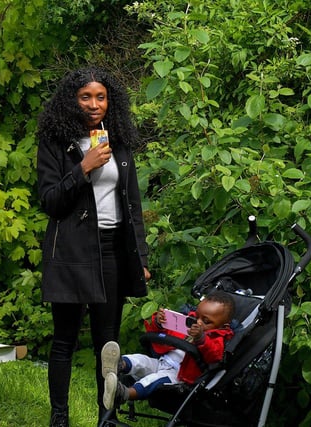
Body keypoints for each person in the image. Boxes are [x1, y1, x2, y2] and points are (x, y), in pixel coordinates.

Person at [36, 66, 152, 427]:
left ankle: (108, 417)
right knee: (65, 340)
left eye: (100, 97)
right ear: (72, 100)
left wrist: (141, 257)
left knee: (108, 343)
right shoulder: (56, 142)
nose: (93, 104)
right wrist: (82, 167)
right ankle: (60, 417)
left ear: (110, 100)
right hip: (71, 250)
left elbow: (133, 204)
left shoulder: (119, 141)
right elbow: (50, 201)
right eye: (85, 97)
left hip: (112, 250)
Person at [101, 290, 236, 410]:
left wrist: (202, 339)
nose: (198, 322)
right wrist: (159, 323)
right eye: (197, 316)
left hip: (178, 375)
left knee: (152, 380)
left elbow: (214, 355)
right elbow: (162, 332)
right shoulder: (187, 321)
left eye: (206, 321)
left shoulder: (217, 338)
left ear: (223, 326)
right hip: (162, 361)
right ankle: (117, 364)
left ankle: (122, 394)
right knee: (140, 360)